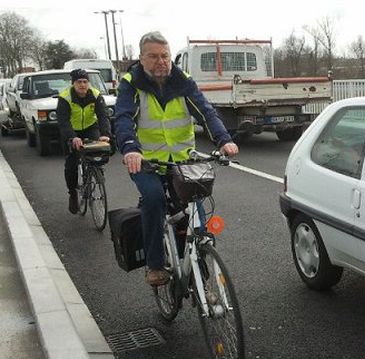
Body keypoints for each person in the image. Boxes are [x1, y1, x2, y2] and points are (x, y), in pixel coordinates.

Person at [115, 31, 239, 286]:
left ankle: (200, 258)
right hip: (147, 161)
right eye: (153, 56)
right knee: (153, 200)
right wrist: (130, 148)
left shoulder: (183, 81)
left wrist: (224, 139)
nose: (161, 61)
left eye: (165, 56)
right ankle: (155, 264)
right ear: (141, 58)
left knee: (196, 209)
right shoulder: (131, 83)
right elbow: (124, 118)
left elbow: (206, 112)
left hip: (183, 161)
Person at [57, 68, 112, 214]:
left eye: (85, 82)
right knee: (71, 163)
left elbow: (103, 115)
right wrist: (72, 137)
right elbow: (63, 121)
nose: (82, 85)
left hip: (89, 127)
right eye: (79, 82)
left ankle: (95, 173)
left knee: (97, 152)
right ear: (73, 83)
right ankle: (73, 193)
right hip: (72, 131)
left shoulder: (95, 95)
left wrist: (105, 134)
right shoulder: (65, 97)